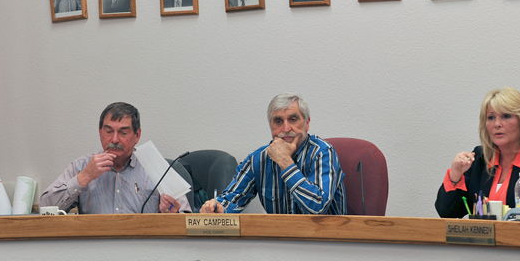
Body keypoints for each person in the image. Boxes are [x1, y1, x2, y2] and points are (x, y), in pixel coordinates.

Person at [199, 93, 346, 215]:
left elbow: (317, 207)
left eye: (293, 119)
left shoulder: (323, 153)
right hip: (278, 245)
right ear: (271, 125)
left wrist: (285, 162)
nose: (286, 128)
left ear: (307, 123)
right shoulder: (258, 159)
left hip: (327, 245)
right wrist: (217, 208)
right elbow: (231, 200)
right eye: (278, 121)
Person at [40, 102, 191, 214]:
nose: (115, 139)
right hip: (94, 249)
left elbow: (186, 217)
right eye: (108, 131)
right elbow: (44, 208)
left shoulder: (157, 168)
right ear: (100, 132)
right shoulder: (82, 166)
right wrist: (83, 177)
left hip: (143, 249)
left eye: (123, 133)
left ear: (137, 135)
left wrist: (174, 215)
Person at [435, 88, 520, 218]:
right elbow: (447, 213)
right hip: (484, 238)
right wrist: (455, 175)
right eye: (491, 117)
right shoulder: (480, 158)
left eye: (506, 116)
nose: (497, 124)